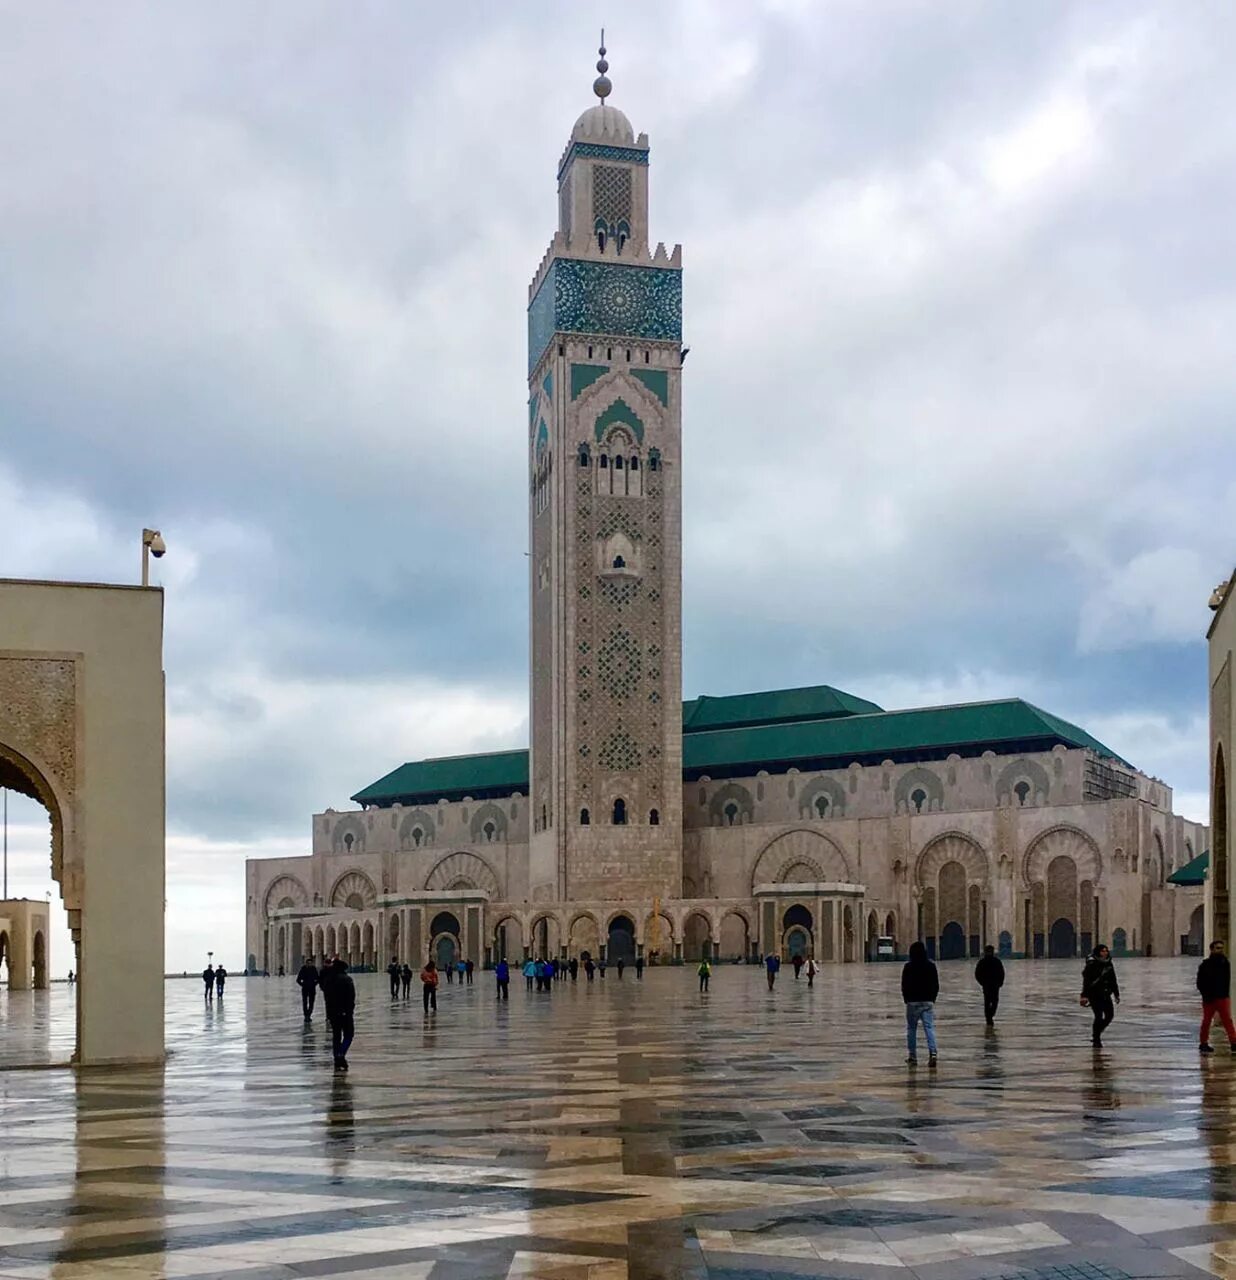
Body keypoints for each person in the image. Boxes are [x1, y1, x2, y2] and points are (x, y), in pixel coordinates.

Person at [902, 941, 940, 1066]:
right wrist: (932, 998)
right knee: (929, 1027)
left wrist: (906, 999)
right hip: (927, 1001)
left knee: (911, 1029)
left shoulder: (908, 966)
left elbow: (904, 985)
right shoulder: (931, 966)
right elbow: (936, 985)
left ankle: (912, 1056)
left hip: (912, 1002)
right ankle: (933, 1053)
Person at [1196, 940, 1235, 1055]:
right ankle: (1203, 1043)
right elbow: (1200, 982)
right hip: (1209, 999)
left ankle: (1234, 1043)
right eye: (1218, 948)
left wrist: (1225, 995)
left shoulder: (1225, 963)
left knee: (1228, 1020)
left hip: (1222, 997)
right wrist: (1206, 994)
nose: (1220, 950)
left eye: (1221, 948)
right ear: (1212, 949)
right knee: (1206, 1021)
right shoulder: (1205, 965)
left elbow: (1226, 981)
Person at [1080, 943, 1120, 1047]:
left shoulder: (1108, 963)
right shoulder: (1092, 964)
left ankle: (1096, 1033)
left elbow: (1113, 979)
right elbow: (1087, 981)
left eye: (1106, 951)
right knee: (1098, 1016)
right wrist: (1084, 995)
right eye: (1103, 951)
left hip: (1106, 994)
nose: (1105, 953)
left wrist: (1116, 994)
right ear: (1098, 952)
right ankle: (1097, 1039)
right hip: (1094, 994)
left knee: (1109, 1015)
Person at [323, 957, 356, 1071]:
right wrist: (349, 1010)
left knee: (336, 1036)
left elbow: (326, 998)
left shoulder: (328, 980)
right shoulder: (347, 979)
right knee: (349, 1035)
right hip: (345, 1013)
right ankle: (341, 1054)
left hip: (333, 1013)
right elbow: (351, 997)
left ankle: (336, 1058)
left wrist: (329, 1013)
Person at [974, 944, 1005, 1027]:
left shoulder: (994, 961)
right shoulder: (986, 962)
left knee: (990, 1002)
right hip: (991, 985)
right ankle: (989, 1018)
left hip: (991, 985)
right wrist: (983, 982)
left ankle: (989, 1016)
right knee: (991, 1001)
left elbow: (1001, 973)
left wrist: (982, 982)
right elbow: (977, 974)